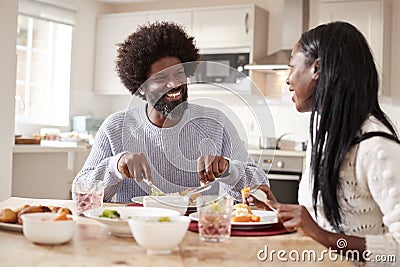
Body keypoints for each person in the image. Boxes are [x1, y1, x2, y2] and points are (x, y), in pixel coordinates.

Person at [245, 21, 400, 264]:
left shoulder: (376, 147)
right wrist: (276, 210)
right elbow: (319, 222)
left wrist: (323, 237)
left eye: (292, 66)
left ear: (317, 68)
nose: (287, 79)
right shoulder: (322, 134)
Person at [73, 21, 268, 202]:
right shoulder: (116, 127)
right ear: (141, 86)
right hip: (134, 232)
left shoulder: (215, 122)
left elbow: (261, 188)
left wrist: (227, 169)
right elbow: (81, 195)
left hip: (195, 232)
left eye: (179, 73)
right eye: (161, 78)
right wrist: (116, 166)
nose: (174, 84)